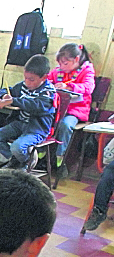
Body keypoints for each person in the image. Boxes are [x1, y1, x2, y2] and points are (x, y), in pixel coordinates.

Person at [0, 54, 56, 170]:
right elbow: (7, 90)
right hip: (19, 124)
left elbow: (36, 106)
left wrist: (13, 101)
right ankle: (17, 160)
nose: (27, 82)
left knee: (17, 147)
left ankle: (25, 161)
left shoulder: (48, 92)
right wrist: (5, 95)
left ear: (44, 78)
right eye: (25, 78)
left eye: (31, 79)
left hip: (37, 129)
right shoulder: (23, 86)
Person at [47, 43, 96, 173]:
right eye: (60, 63)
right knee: (44, 119)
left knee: (65, 125)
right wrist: (51, 85)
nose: (62, 67)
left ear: (76, 60)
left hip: (76, 110)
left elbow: (89, 87)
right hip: (57, 108)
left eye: (66, 63)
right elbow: (47, 80)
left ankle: (60, 157)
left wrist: (70, 87)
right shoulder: (58, 71)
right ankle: (41, 152)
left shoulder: (87, 70)